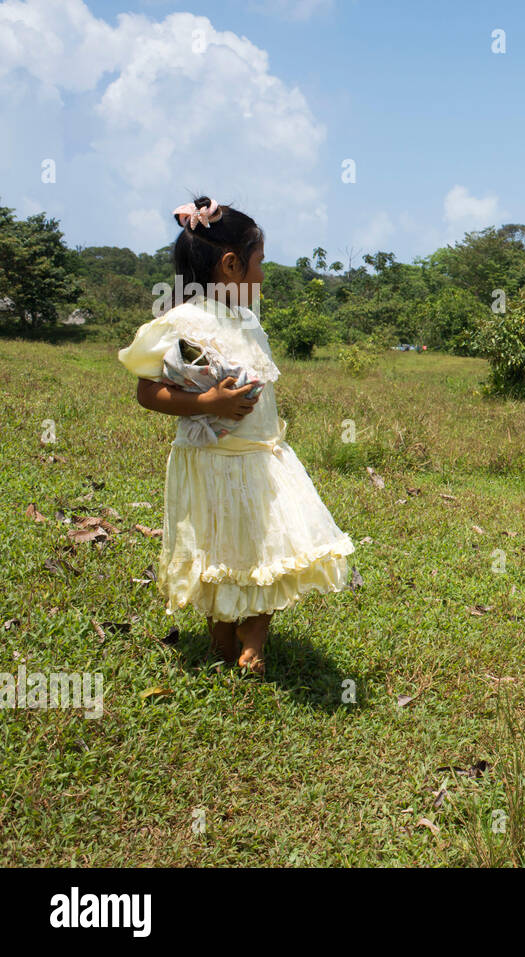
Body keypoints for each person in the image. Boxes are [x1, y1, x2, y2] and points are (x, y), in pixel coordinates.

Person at [119, 197, 355, 674]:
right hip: (211, 463)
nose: (263, 276)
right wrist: (208, 404)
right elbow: (148, 391)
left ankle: (254, 644)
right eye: (259, 263)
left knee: (269, 546)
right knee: (219, 552)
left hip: (262, 458)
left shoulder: (248, 321)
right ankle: (226, 645)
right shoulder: (183, 323)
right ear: (231, 265)